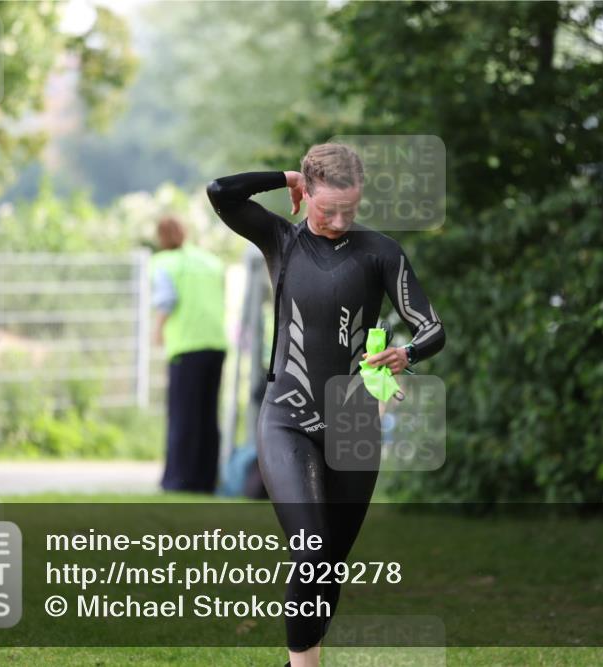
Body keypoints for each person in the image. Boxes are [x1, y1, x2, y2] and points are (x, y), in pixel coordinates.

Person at [206, 143, 445, 667]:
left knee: (330, 562)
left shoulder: (380, 252)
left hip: (355, 424)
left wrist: (406, 352)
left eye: (350, 210)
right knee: (311, 549)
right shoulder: (280, 240)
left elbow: (433, 328)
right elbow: (221, 192)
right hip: (287, 416)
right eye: (327, 208)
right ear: (307, 192)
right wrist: (282, 175)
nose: (338, 220)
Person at [150, 215, 227, 493]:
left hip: (186, 347)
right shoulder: (211, 262)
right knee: (208, 416)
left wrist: (156, 331)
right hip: (216, 346)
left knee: (183, 415)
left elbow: (166, 301)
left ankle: (178, 480)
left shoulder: (164, 263)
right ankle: (206, 480)